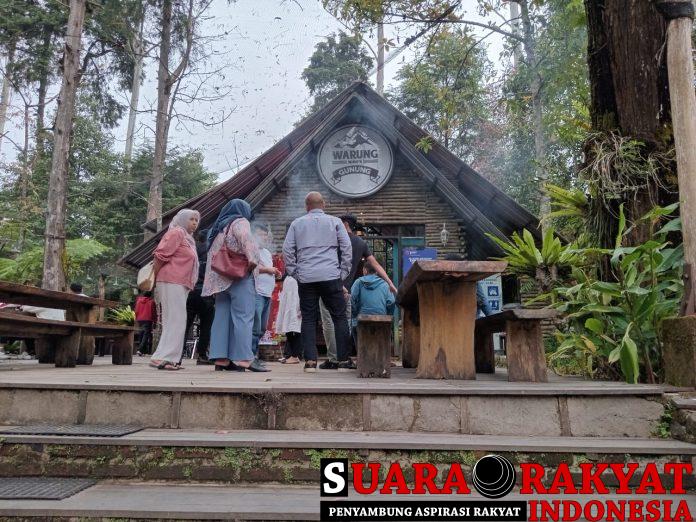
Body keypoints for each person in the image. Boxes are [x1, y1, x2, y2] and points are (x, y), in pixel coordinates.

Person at [282, 191, 352, 372]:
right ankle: (343, 360)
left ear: (307, 206)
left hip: (306, 277)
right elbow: (346, 247)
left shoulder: (297, 224)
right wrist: (343, 272)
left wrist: (295, 272)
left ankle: (310, 362)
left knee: (308, 318)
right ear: (324, 205)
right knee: (339, 317)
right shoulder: (335, 222)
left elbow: (287, 250)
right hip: (331, 275)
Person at [319, 213, 397, 370]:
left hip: (329, 286)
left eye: (338, 223)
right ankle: (344, 358)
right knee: (345, 323)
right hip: (346, 291)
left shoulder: (334, 240)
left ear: (345, 224)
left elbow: (325, 263)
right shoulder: (360, 243)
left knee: (329, 323)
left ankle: (334, 359)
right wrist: (390, 283)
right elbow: (375, 264)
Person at [203, 199, 268, 372]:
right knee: (244, 317)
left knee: (222, 318)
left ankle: (221, 358)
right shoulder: (240, 221)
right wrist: (253, 260)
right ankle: (244, 358)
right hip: (239, 277)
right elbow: (247, 240)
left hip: (220, 279)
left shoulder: (217, 228)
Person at [149, 209, 200, 371]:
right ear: (182, 220)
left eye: (196, 220)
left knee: (173, 320)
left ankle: (161, 357)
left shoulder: (188, 238)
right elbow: (160, 255)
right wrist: (154, 279)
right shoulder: (176, 232)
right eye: (191, 219)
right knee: (176, 320)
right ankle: (166, 358)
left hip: (179, 282)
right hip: (171, 280)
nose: (194, 222)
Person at [183, 230, 215, 365]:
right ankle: (202, 355)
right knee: (206, 326)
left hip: (191, 291)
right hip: (206, 293)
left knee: (185, 324)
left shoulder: (191, 251)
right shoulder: (212, 252)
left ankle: (177, 355)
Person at [251, 223, 282, 358]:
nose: (264, 237)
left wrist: (275, 272)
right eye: (260, 234)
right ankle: (251, 356)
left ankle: (253, 354)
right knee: (255, 327)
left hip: (267, 294)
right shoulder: (251, 250)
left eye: (265, 235)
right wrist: (268, 269)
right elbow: (249, 267)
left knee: (262, 328)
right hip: (256, 292)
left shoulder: (267, 253)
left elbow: (268, 270)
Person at [350, 265, 396, 342]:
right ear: (377, 272)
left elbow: (352, 300)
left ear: (365, 270)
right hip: (381, 317)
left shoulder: (358, 282)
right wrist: (387, 316)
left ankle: (359, 348)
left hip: (362, 317)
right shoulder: (385, 284)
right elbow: (391, 302)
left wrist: (355, 314)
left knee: (354, 326)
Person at [275, 275, 302, 364]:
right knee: (289, 331)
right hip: (290, 308)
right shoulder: (289, 280)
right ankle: (290, 356)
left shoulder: (293, 280)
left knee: (295, 331)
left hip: (295, 308)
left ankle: (294, 356)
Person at [134, 291, 157, 356]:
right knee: (146, 334)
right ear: (150, 296)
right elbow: (154, 312)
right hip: (148, 319)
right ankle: (140, 350)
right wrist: (155, 321)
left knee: (141, 334)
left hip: (140, 319)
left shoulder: (138, 301)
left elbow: (136, 310)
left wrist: (136, 318)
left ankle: (143, 351)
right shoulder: (151, 302)